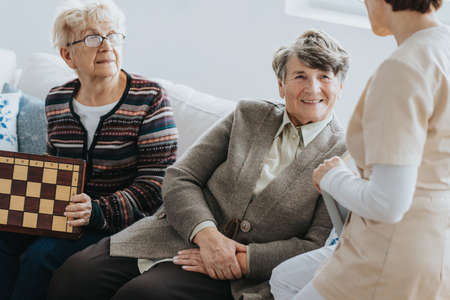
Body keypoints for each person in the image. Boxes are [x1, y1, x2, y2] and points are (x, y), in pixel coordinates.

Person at [47, 29, 349, 300]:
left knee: (143, 295)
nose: (313, 87)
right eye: (300, 76)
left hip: (240, 270)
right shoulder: (248, 115)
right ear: (282, 85)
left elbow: (318, 245)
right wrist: (209, 237)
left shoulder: (347, 152)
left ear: (339, 85)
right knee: (73, 276)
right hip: (176, 233)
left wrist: (240, 259)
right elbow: (181, 177)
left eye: (324, 76)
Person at [270, 0, 450, 299]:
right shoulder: (442, 47)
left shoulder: (403, 68)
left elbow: (387, 204)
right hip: (434, 246)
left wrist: (332, 176)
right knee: (286, 281)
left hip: (389, 254)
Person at [0, 1, 178, 299]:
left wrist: (96, 210)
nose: (107, 45)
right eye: (93, 37)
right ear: (67, 55)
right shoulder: (57, 100)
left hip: (121, 221)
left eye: (114, 35)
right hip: (64, 214)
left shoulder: (150, 98)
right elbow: (54, 166)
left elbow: (157, 184)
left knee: (40, 258)